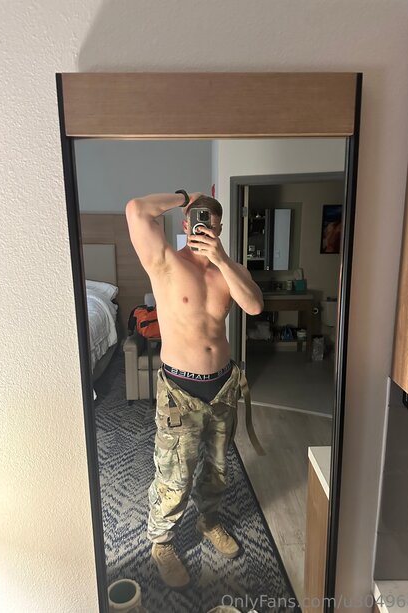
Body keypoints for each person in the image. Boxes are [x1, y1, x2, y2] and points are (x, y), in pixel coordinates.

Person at [125, 191, 264, 589]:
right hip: (180, 393)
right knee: (175, 478)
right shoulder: (165, 262)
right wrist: (186, 197)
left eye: (210, 222)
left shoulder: (229, 270)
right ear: (186, 224)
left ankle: (208, 521)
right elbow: (136, 210)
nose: (203, 227)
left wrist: (222, 259)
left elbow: (254, 306)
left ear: (219, 228)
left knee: (217, 470)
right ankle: (162, 542)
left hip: (222, 389)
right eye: (196, 219)